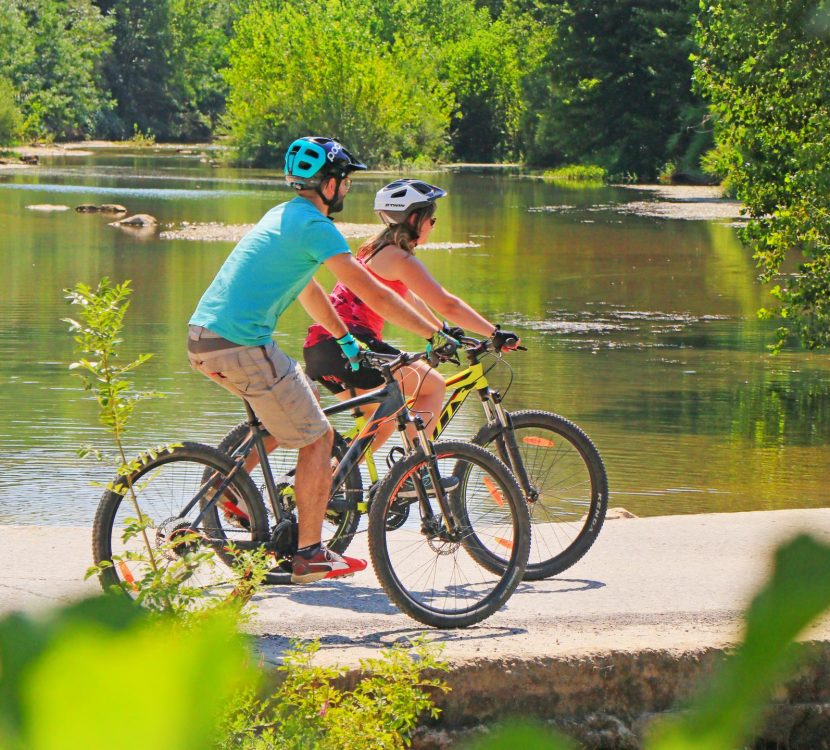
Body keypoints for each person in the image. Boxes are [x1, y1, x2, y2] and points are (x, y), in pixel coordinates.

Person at [187, 138, 457, 584]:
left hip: (204, 340)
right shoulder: (316, 226)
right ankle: (310, 552)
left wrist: (345, 339)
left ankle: (229, 485)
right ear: (329, 184)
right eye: (345, 181)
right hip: (240, 343)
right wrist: (434, 333)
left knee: (302, 399)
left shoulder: (281, 216)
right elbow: (371, 291)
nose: (347, 190)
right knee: (318, 437)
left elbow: (308, 290)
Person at [303, 178, 519, 452]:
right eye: (432, 219)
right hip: (351, 344)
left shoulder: (374, 251)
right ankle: (415, 470)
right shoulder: (399, 259)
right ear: (415, 218)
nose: (432, 226)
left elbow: (408, 298)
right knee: (432, 386)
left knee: (384, 421)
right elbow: (447, 302)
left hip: (321, 348)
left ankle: (335, 480)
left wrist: (441, 330)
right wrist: (494, 333)